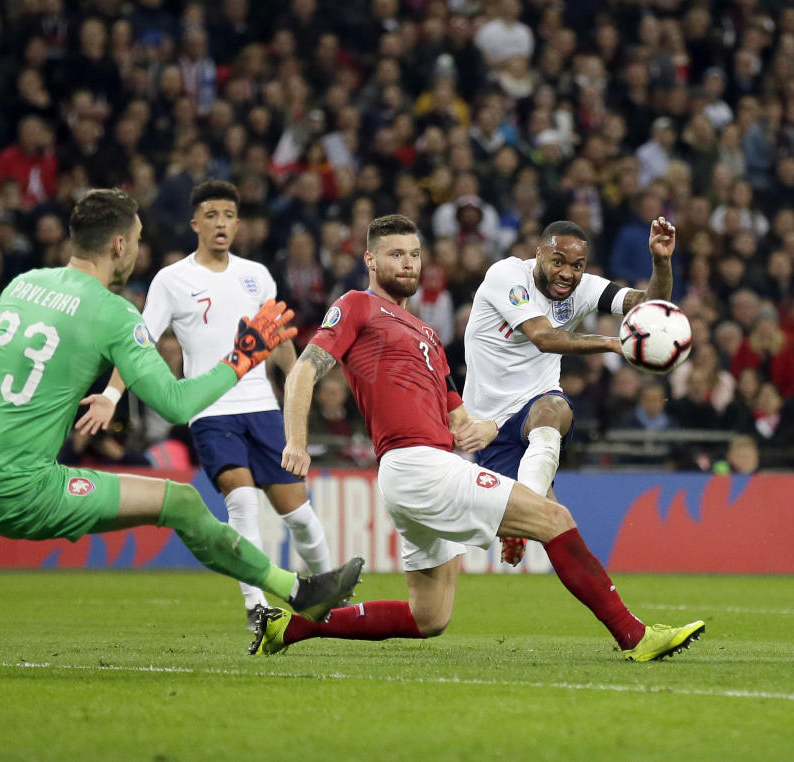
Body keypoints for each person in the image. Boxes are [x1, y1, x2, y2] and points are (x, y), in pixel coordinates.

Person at [0, 189, 363, 636]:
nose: (137, 250)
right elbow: (175, 402)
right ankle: (299, 591)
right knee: (179, 501)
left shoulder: (24, 283)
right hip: (17, 483)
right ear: (118, 244)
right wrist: (242, 357)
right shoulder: (114, 313)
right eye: (135, 241)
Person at [249, 214, 703, 663]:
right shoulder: (356, 306)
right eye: (394, 255)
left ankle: (287, 627)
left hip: (425, 468)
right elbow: (306, 368)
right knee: (554, 518)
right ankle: (634, 635)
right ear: (370, 260)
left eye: (414, 254)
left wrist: (488, 427)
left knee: (430, 617)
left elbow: (460, 420)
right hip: (416, 467)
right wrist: (295, 440)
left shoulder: (425, 332)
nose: (407, 263)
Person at [78, 180, 334, 631]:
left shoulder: (257, 276)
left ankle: (329, 594)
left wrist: (296, 399)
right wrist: (112, 396)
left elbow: (277, 343)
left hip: (262, 408)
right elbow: (140, 343)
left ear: (238, 224)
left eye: (229, 216)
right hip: (211, 411)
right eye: (211, 215)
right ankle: (259, 609)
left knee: (299, 514)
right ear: (196, 223)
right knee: (243, 507)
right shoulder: (172, 280)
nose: (221, 223)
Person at [462, 217, 677, 565]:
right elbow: (543, 337)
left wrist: (661, 262)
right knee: (560, 529)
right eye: (558, 261)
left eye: (576, 265)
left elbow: (649, 306)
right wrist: (611, 342)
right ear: (539, 255)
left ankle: (629, 623)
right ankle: (524, 516)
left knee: (553, 409)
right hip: (490, 425)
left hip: (539, 404)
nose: (567, 273)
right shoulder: (508, 276)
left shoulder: (586, 288)